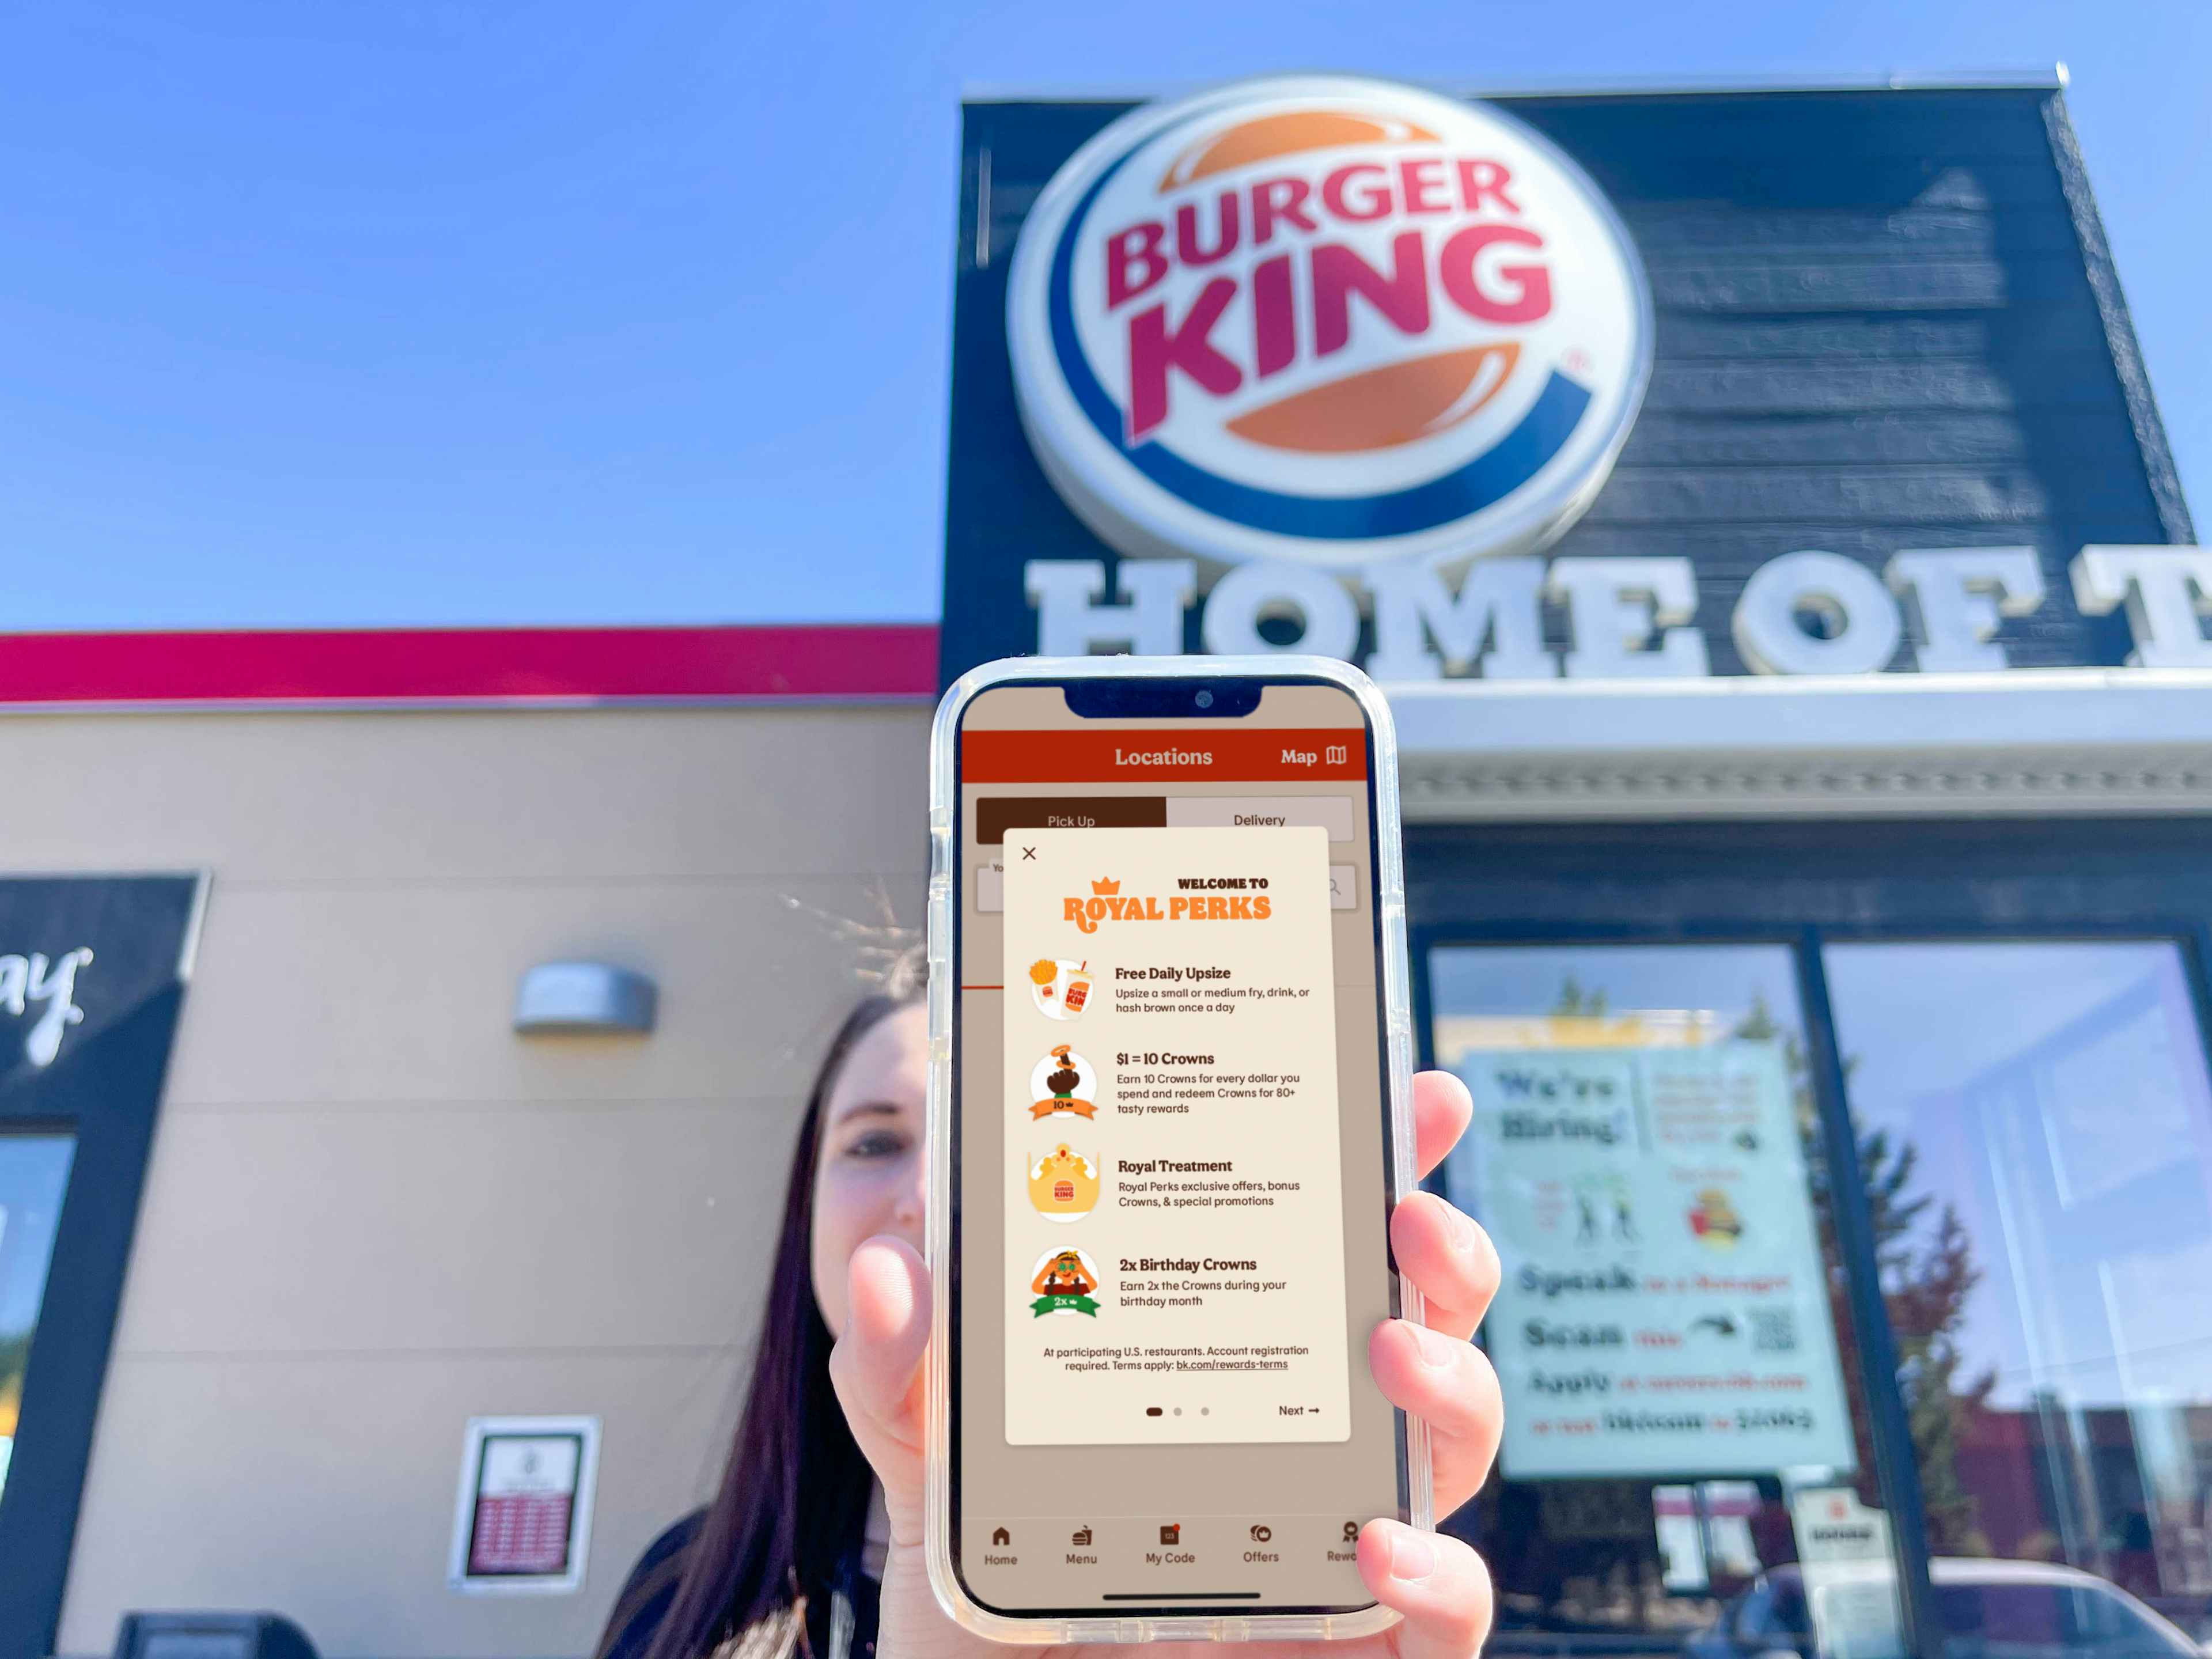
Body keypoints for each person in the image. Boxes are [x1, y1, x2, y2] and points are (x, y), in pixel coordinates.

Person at [596, 958, 1503, 1659]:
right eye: (875, 1140)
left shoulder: (1278, 1571)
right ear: (806, 1213)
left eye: (986, 1126)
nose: (930, 1190)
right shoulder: (680, 1590)